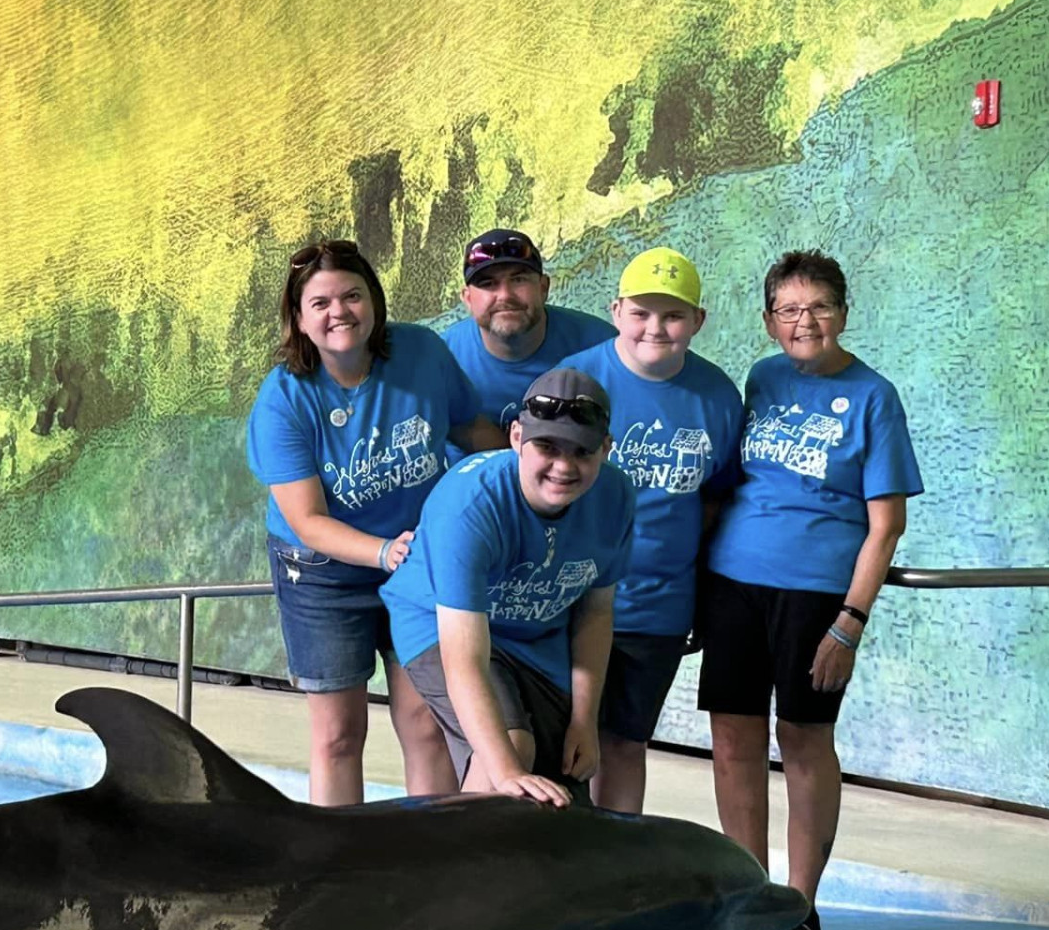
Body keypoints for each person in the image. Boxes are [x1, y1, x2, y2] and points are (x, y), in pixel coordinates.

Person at [698, 250, 922, 930]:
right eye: (790, 310)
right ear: (768, 321)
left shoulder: (873, 396)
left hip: (817, 593)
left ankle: (800, 904)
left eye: (819, 307)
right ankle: (748, 897)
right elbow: (731, 483)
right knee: (732, 739)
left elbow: (885, 525)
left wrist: (850, 623)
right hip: (734, 582)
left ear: (844, 314)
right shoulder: (761, 378)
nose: (805, 321)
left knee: (802, 737)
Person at [247, 240, 498, 806]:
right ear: (299, 318)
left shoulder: (420, 353)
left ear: (375, 302)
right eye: (321, 303)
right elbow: (308, 520)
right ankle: (339, 872)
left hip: (414, 563)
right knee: (339, 734)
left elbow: (472, 430)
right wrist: (385, 552)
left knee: (425, 720)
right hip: (324, 573)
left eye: (353, 295)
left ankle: (425, 864)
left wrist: (525, 469)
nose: (340, 312)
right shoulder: (284, 400)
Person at [380, 368, 636, 808]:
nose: (563, 466)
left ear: (606, 449)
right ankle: (454, 873)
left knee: (565, 782)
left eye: (582, 451)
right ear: (516, 437)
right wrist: (505, 771)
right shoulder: (470, 506)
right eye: (547, 447)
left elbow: (596, 611)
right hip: (438, 622)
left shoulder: (616, 496)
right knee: (512, 754)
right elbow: (464, 658)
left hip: (537, 633)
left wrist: (583, 720)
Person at [556, 247, 742, 814]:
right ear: (616, 312)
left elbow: (715, 500)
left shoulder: (717, 396)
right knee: (557, 748)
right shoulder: (578, 381)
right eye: (641, 313)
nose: (655, 328)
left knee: (625, 744)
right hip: (569, 598)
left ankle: (617, 879)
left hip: (656, 608)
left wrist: (696, 598)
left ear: (698, 322)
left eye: (673, 315)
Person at [441, 228, 615, 459]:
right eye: (488, 283)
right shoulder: (444, 358)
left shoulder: (601, 346)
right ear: (467, 298)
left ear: (543, 288)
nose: (504, 295)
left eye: (519, 279)